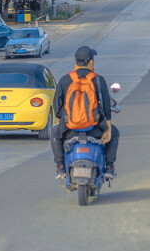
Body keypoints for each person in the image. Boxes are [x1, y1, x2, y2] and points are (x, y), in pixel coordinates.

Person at [51, 45, 120, 179]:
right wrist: (108, 130)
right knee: (115, 132)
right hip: (94, 129)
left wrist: (62, 124)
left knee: (54, 132)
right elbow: (106, 108)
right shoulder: (98, 80)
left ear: (76, 61)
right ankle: (109, 167)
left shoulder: (65, 80)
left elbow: (57, 106)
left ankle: (60, 167)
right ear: (91, 61)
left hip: (70, 130)